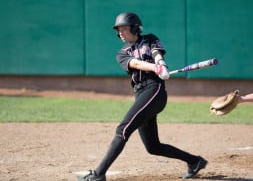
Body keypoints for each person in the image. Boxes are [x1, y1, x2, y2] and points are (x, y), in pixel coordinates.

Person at [76, 12, 207, 181]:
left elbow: (157, 54)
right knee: (153, 147)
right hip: (141, 94)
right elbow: (135, 63)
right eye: (118, 30)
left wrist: (161, 64)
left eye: (124, 29)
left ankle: (98, 175)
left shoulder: (150, 39)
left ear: (135, 28)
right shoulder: (121, 53)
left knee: (122, 130)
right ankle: (195, 161)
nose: (120, 33)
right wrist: (154, 68)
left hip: (154, 90)